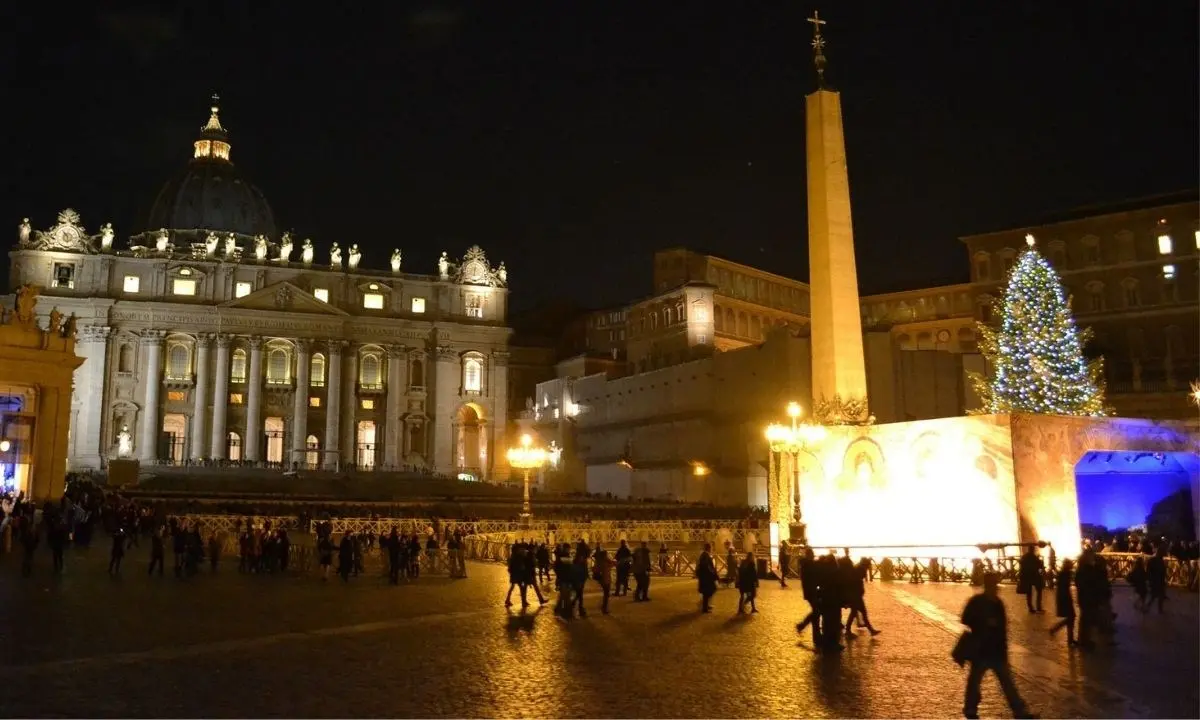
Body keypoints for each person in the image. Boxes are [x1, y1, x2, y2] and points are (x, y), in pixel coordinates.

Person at [959, 573, 1035, 719]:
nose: (995, 588)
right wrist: (984, 622)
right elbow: (966, 619)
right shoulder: (978, 601)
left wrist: (1004, 649)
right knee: (975, 682)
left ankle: (1019, 711)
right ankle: (970, 709)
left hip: (996, 651)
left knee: (1007, 683)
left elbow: (1003, 628)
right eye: (993, 585)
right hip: (982, 649)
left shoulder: (997, 603)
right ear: (988, 585)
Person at [1048, 558, 1077, 646]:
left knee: (1070, 618)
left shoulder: (1063, 573)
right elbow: (1064, 588)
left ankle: (1070, 639)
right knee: (1071, 618)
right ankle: (1056, 630)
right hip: (1065, 599)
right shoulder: (1065, 574)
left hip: (1063, 598)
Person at [1018, 547, 1045, 613]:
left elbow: (1021, 564)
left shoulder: (1024, 557)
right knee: (1039, 591)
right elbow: (1040, 565)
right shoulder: (1034, 557)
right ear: (1033, 550)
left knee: (1029, 593)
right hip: (1034, 576)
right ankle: (1038, 607)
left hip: (1026, 577)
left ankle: (1030, 608)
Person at [696, 542, 718, 613]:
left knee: (709, 591)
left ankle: (706, 606)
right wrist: (712, 574)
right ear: (709, 548)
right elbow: (707, 567)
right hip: (706, 578)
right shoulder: (705, 555)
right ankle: (704, 608)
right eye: (711, 547)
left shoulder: (705, 555)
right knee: (708, 592)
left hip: (706, 577)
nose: (711, 549)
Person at [593, 544, 613, 614]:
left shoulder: (598, 561)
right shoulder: (605, 560)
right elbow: (612, 563)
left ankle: (604, 607)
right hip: (605, 578)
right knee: (606, 593)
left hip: (602, 578)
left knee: (606, 593)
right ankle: (604, 608)